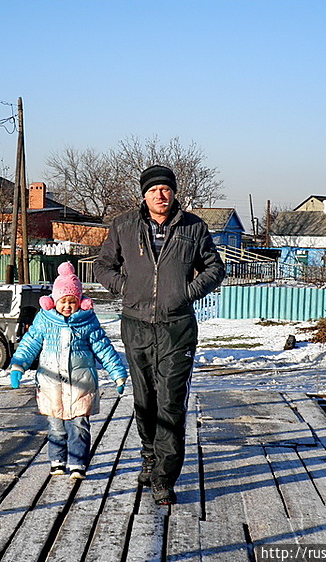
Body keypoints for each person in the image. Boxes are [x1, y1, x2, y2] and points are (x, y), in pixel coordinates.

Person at [93, 164, 224, 505]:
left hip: (177, 328)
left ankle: (164, 477)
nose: (160, 195)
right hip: (135, 325)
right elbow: (103, 265)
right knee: (145, 399)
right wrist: (126, 289)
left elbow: (215, 267)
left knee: (171, 403)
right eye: (153, 190)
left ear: (174, 192)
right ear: (144, 194)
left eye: (165, 189)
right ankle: (149, 454)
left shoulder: (193, 227)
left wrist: (187, 292)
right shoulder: (124, 225)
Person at [9, 261, 128, 480]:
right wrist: (18, 365)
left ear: (79, 301)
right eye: (63, 301)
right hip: (51, 384)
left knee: (80, 426)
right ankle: (57, 460)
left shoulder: (88, 321)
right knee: (56, 427)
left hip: (81, 384)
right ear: (54, 301)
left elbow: (104, 349)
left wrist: (118, 374)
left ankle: (78, 464)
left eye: (72, 301)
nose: (67, 306)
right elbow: (30, 342)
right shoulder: (45, 320)